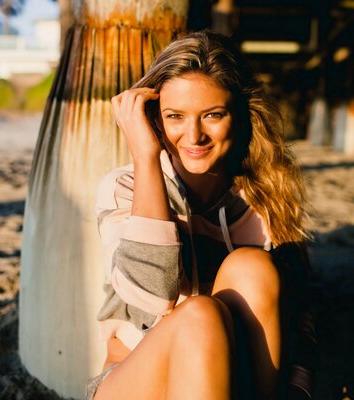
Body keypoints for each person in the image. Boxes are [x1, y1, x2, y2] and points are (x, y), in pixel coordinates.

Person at [87, 31, 310, 400]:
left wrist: (299, 391)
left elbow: (299, 312)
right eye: (175, 116)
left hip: (235, 379)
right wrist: (145, 157)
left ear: (238, 115)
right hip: (138, 383)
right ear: (154, 118)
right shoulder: (124, 186)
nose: (194, 136)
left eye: (212, 115)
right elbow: (153, 296)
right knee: (200, 314)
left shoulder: (264, 194)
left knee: (253, 267)